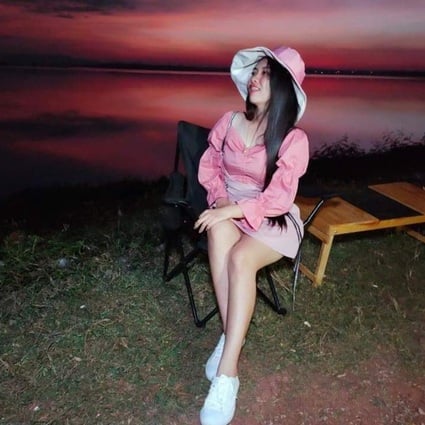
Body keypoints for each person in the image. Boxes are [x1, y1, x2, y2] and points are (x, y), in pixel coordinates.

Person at [194, 46, 309, 425]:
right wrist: (221, 201)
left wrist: (233, 210)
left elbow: (277, 199)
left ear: (284, 89)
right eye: (254, 72)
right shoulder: (229, 122)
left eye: (265, 74)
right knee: (217, 232)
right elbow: (210, 165)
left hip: (271, 219)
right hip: (229, 206)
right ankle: (232, 340)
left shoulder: (292, 139)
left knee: (241, 259)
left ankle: (227, 375)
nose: (254, 79)